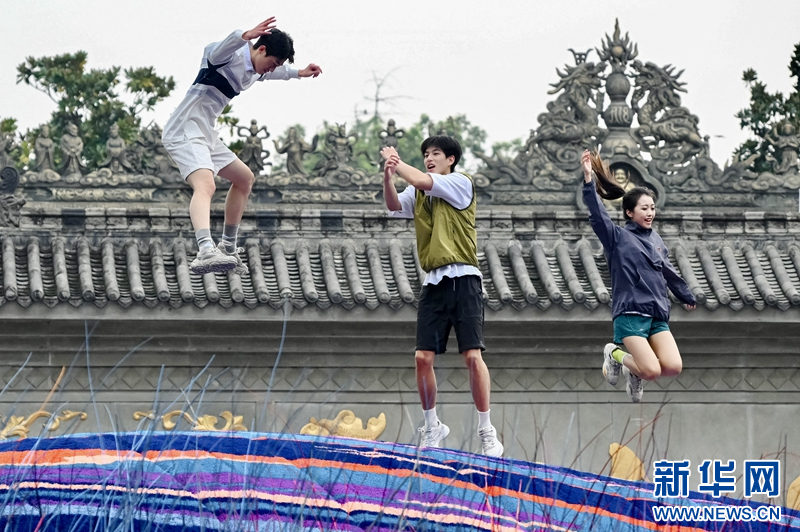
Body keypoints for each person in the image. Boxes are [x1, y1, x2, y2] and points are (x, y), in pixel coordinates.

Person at [162, 17, 322, 275]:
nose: (271, 69)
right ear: (260, 49)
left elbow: (273, 73)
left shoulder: (255, 70)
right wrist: (244, 35)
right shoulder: (230, 56)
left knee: (245, 179)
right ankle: (205, 249)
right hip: (184, 129)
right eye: (272, 63)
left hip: (205, 132)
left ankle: (227, 247)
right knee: (206, 184)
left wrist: (298, 73)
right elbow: (214, 51)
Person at [381, 137, 503, 457]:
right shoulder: (419, 192)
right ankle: (432, 425)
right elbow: (394, 206)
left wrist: (396, 160)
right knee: (422, 357)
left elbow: (422, 179)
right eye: (425, 154)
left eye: (435, 154)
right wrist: (387, 176)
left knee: (472, 356)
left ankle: (486, 428)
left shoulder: (460, 183)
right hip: (434, 281)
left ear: (451, 159)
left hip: (465, 279)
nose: (429, 158)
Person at [581, 150, 696, 402]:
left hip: (656, 313)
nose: (650, 213)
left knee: (672, 367)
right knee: (651, 370)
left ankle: (633, 372)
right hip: (630, 313)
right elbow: (598, 216)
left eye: (652, 208)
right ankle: (614, 354)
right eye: (644, 208)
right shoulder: (618, 237)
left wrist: (684, 294)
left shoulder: (655, 239)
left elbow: (666, 270)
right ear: (629, 213)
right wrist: (589, 180)